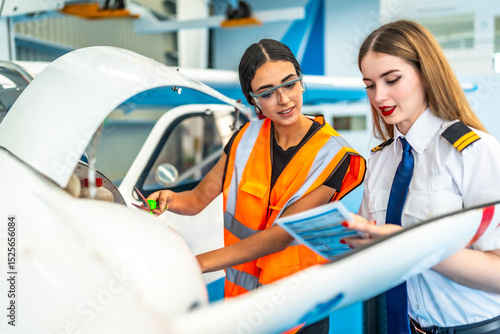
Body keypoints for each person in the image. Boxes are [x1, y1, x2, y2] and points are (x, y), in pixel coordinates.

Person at [148, 38, 366, 333]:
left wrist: (193, 264)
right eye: (267, 93)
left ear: (302, 82)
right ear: (253, 99)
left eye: (289, 84)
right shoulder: (244, 139)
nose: (284, 100)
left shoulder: (333, 155)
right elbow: (197, 199)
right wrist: (169, 199)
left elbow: (280, 237)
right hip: (244, 305)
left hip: (298, 310)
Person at [342, 20, 500, 334]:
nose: (379, 96)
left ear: (425, 74)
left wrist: (409, 246)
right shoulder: (381, 159)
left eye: (391, 79)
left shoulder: (472, 151)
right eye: (370, 85)